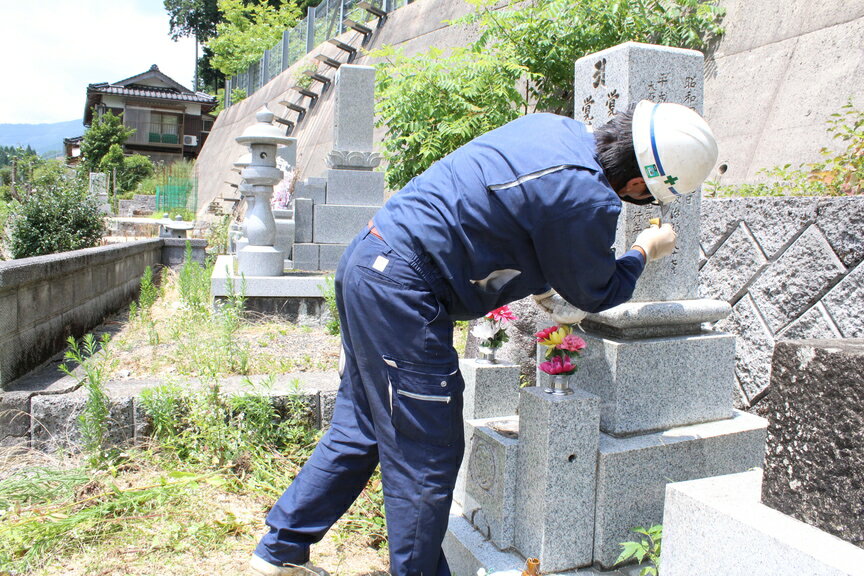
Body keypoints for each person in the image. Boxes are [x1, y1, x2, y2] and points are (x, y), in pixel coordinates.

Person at [249, 100, 719, 576]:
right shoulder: (586, 195)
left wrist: (538, 283)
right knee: (427, 453)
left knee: (362, 427)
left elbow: (496, 210)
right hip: (403, 290)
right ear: (638, 184)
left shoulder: (552, 129)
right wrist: (643, 251)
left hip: (372, 261)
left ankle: (280, 550)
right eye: (646, 199)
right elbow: (596, 289)